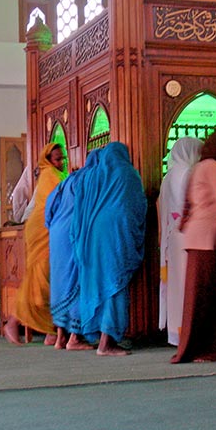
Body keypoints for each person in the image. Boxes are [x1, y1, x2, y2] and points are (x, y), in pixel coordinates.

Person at [170, 130, 216, 363]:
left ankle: (201, 348)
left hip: (199, 239)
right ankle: (207, 348)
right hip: (210, 241)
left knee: (201, 296)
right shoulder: (213, 167)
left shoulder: (200, 167)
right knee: (211, 297)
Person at [71, 142, 147, 356]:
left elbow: (80, 210)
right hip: (116, 237)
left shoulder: (94, 176)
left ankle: (98, 336)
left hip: (91, 238)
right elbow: (135, 206)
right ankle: (106, 342)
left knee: (97, 285)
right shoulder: (127, 174)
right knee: (115, 286)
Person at [4, 142, 68, 345]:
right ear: (48, 160)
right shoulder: (50, 175)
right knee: (40, 281)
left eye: (63, 158)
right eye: (58, 159)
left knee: (48, 281)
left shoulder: (55, 176)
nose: (62, 162)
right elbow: (59, 203)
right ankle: (13, 322)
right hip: (43, 230)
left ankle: (50, 329)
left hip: (49, 230)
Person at [45, 150, 100, 350]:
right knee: (77, 281)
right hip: (72, 233)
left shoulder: (68, 179)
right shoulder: (89, 179)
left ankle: (60, 337)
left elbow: (49, 205)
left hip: (56, 232)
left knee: (60, 283)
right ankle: (75, 337)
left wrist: (52, 225)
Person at [157, 137, 202, 346]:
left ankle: (176, 334)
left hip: (171, 239)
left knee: (176, 288)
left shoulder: (168, 177)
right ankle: (189, 334)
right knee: (188, 286)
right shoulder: (188, 173)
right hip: (188, 236)